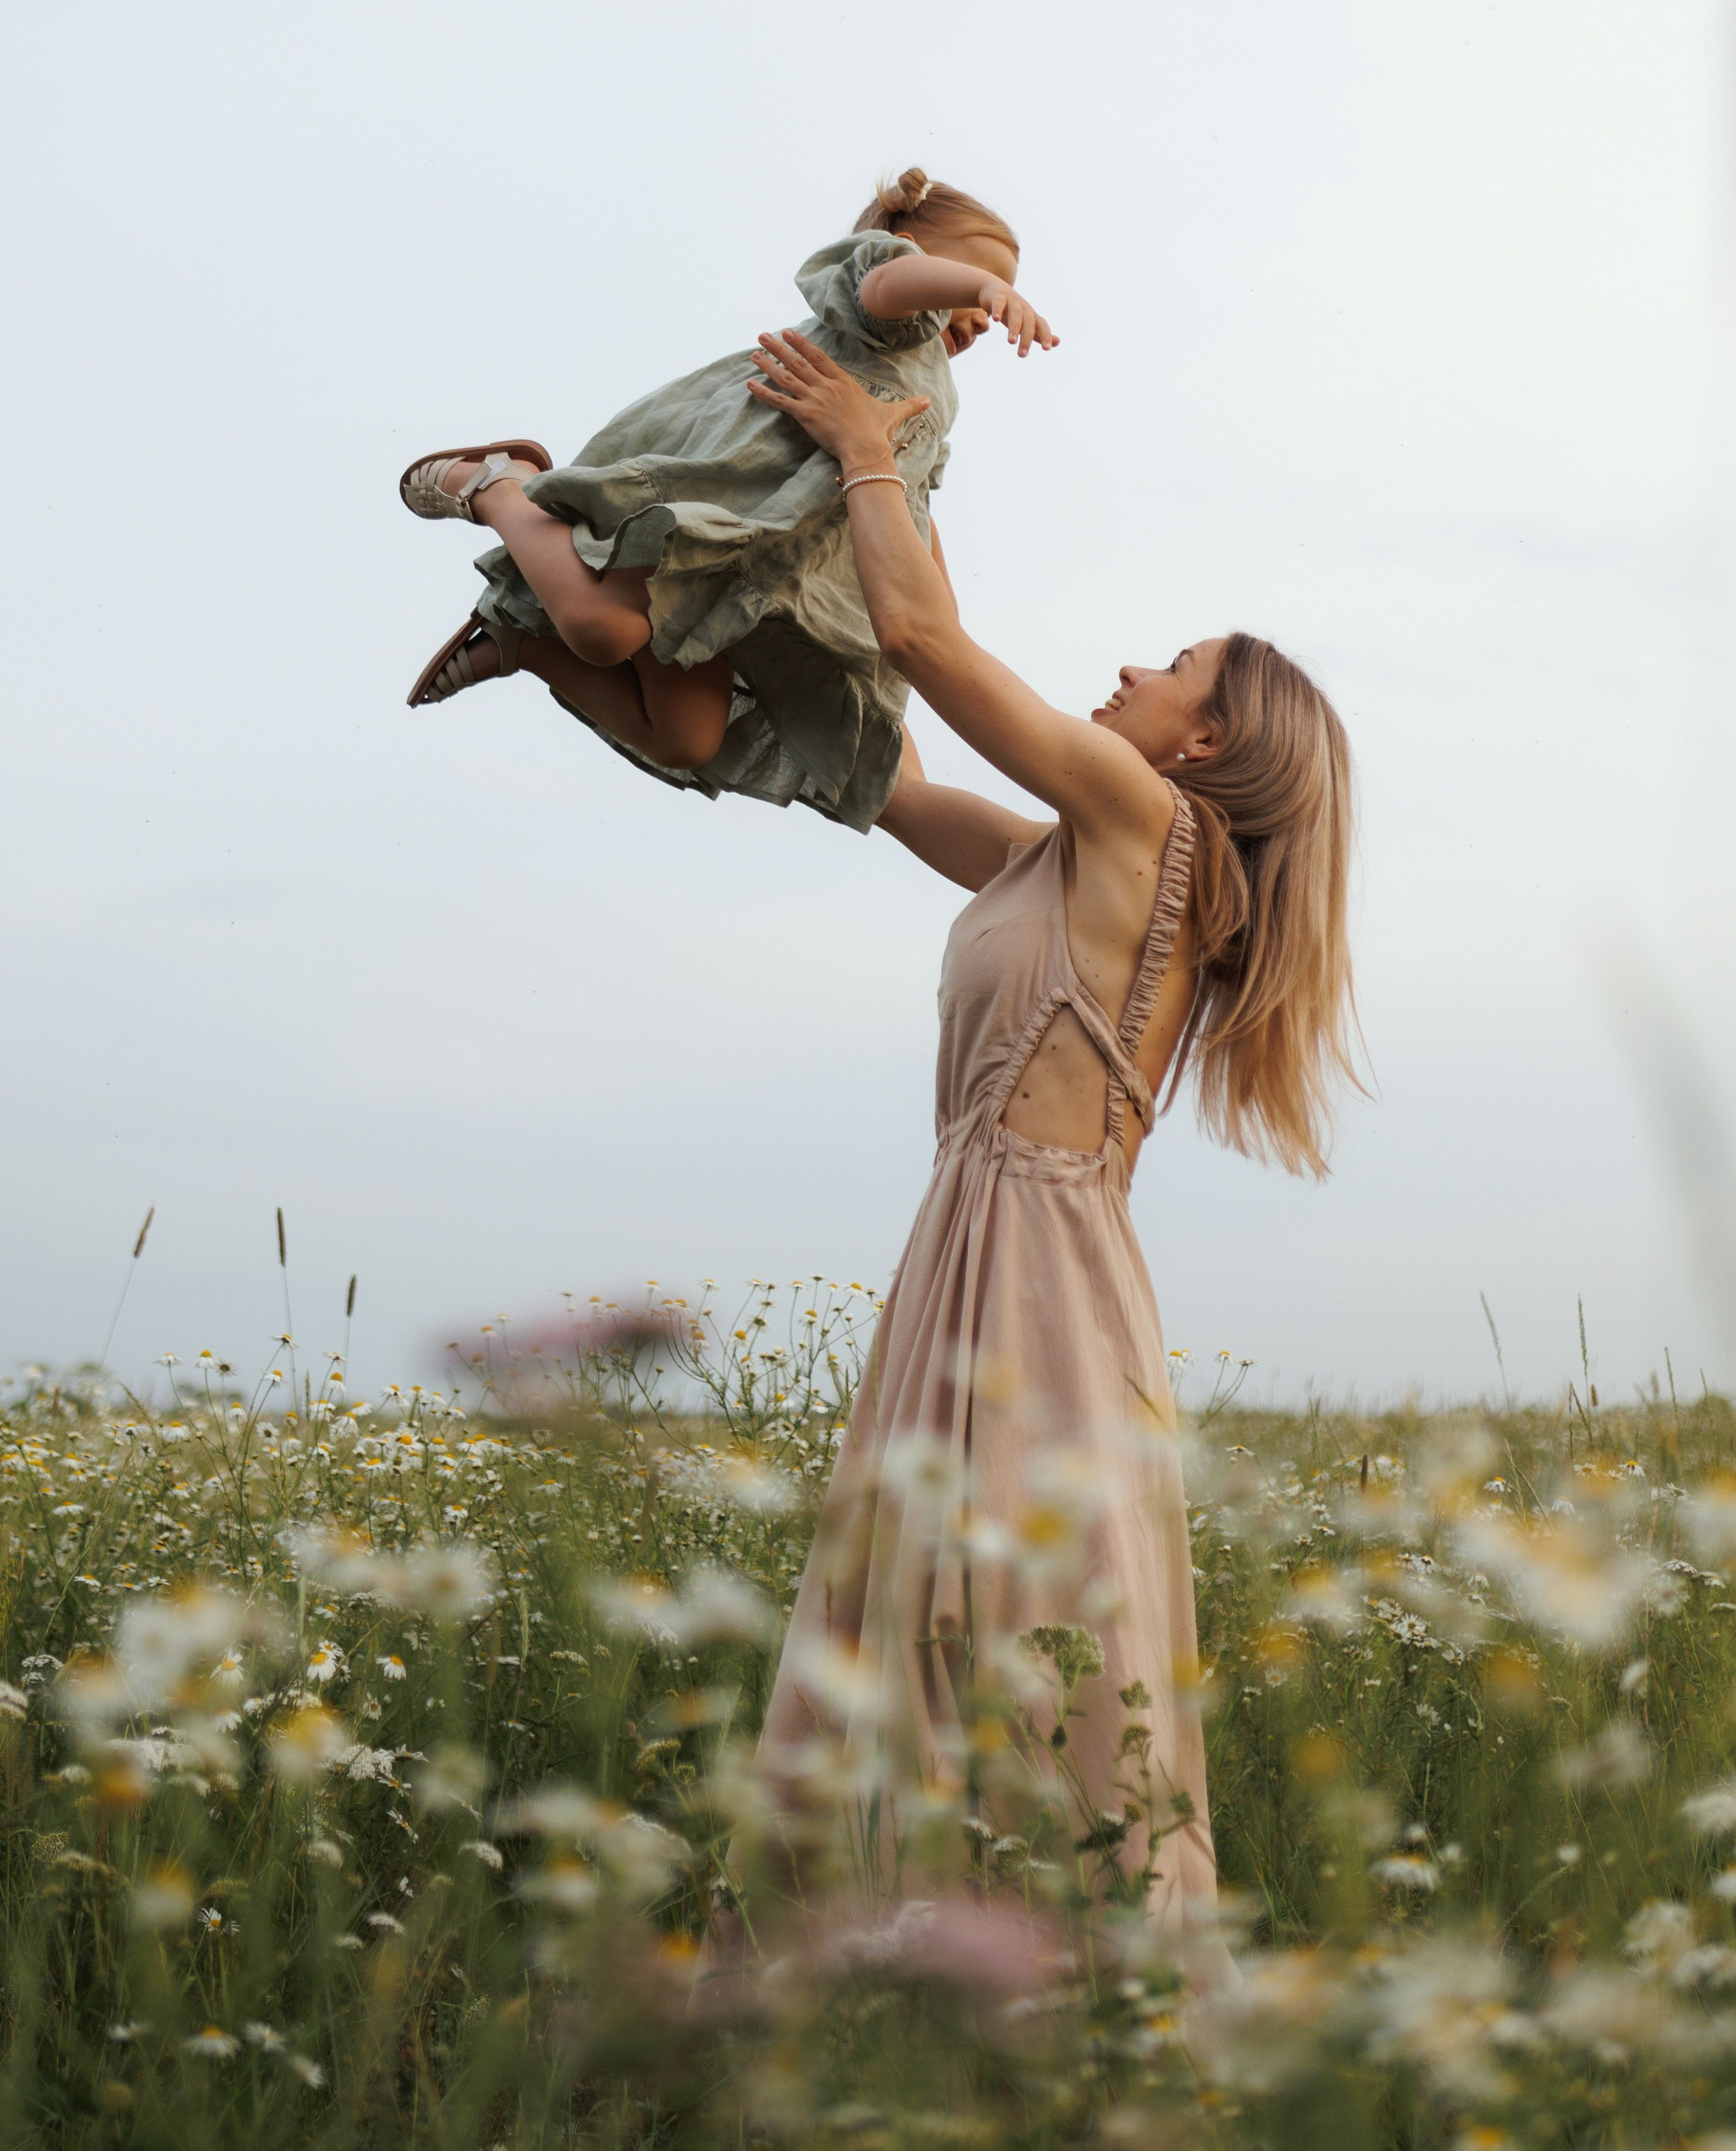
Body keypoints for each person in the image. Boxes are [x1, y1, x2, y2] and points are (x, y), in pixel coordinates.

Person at [733, 324, 1359, 1934]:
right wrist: (880, 470)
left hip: (1034, 1285)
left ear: (1203, 744)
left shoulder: (1152, 831)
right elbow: (883, 774)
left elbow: (929, 644)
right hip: (986, 1253)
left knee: (1004, 1638)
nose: (1134, 672)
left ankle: (1049, 2016)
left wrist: (863, 439)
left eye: (1171, 670)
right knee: (927, 1630)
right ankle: (907, 1996)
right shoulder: (1061, 857)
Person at [396, 172, 1055, 832]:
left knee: (687, 737)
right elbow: (889, 284)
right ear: (910, 249)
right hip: (720, 507)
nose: (991, 311)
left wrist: (942, 612)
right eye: (984, 280)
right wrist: (976, 287)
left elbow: (910, 498)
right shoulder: (885, 311)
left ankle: (521, 644)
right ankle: (498, 486)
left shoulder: (938, 396)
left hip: (769, 578)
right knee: (605, 630)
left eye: (998, 292)